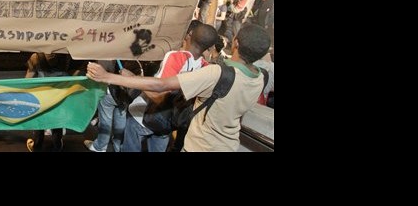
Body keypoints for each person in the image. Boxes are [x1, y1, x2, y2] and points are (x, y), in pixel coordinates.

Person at [87, 24, 271, 152]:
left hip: (200, 145)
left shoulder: (216, 73)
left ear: (236, 42)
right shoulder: (262, 76)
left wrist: (108, 76)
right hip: (226, 144)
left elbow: (161, 86)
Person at [25, 52, 71, 152]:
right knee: (57, 123)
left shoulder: (36, 56)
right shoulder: (66, 55)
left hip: (42, 95)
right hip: (60, 94)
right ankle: (57, 146)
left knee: (39, 122)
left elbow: (28, 78)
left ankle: (37, 147)